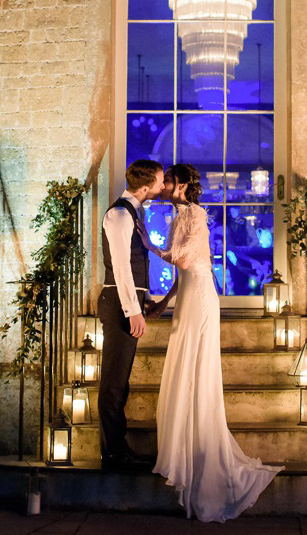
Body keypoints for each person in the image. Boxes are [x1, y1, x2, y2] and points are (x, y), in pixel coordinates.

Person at [137, 163, 283, 522]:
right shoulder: (180, 214)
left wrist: (147, 245)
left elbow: (185, 258)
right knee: (183, 367)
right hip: (188, 293)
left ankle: (202, 462)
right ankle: (186, 455)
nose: (165, 186)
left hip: (201, 297)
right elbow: (183, 270)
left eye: (169, 181)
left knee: (195, 371)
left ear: (183, 184)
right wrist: (163, 303)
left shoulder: (197, 213)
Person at [98, 159, 167, 470]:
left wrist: (147, 297)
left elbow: (138, 264)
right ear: (144, 187)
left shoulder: (135, 212)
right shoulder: (119, 215)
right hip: (117, 303)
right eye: (160, 182)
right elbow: (122, 267)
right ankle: (113, 452)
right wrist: (132, 311)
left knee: (121, 380)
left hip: (130, 300)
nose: (163, 187)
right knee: (113, 381)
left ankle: (117, 448)